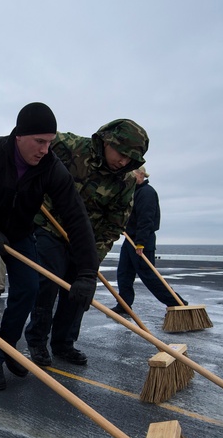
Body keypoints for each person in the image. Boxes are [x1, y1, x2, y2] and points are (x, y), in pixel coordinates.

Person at [0, 102, 98, 391]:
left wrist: (87, 272)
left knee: (29, 288)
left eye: (50, 142)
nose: (45, 149)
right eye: (39, 141)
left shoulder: (51, 168)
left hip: (20, 233)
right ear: (19, 135)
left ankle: (7, 348)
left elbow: (76, 215)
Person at [24, 119, 148, 367]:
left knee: (79, 290)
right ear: (106, 141)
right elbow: (32, 149)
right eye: (121, 153)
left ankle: (64, 344)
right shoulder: (68, 145)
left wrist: (91, 262)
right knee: (48, 281)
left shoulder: (125, 181)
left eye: (130, 158)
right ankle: (37, 341)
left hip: (86, 240)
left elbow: (113, 224)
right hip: (50, 226)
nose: (123, 161)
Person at [116, 166, 186, 309]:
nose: (129, 177)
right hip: (129, 239)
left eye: (132, 174)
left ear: (141, 175)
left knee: (149, 275)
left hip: (142, 240)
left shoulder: (147, 193)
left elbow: (146, 220)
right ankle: (124, 304)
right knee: (124, 274)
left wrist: (140, 243)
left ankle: (176, 302)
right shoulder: (132, 192)